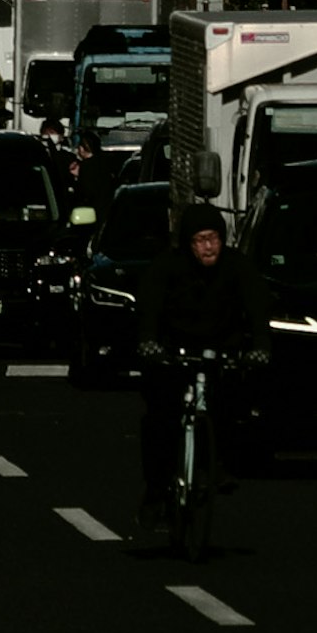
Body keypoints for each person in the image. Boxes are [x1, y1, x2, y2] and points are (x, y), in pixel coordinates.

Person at [135, 195, 272, 520]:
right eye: (200, 241)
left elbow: (257, 305)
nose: (208, 247)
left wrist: (261, 346)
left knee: (232, 403)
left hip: (220, 348)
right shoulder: (167, 267)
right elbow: (149, 307)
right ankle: (156, 490)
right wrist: (148, 343)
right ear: (188, 243)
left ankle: (218, 463)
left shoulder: (237, 266)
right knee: (160, 418)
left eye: (214, 239)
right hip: (174, 351)